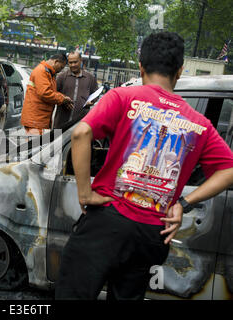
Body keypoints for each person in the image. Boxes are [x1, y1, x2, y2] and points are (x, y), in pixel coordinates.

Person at [55, 32, 233, 300]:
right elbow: (229, 170)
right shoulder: (200, 124)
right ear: (180, 70)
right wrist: (183, 204)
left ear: (141, 65)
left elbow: (80, 134)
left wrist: (85, 192)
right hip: (152, 233)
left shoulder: (123, 97)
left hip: (107, 218)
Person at [20, 53, 73, 135]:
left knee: (37, 145)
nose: (61, 70)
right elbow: (45, 93)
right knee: (35, 145)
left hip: (39, 119)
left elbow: (51, 92)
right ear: (56, 62)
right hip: (35, 119)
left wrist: (62, 98)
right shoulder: (41, 71)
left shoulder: (49, 73)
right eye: (61, 67)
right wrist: (63, 99)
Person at [53, 51, 98, 129]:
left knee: (77, 141)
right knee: (56, 141)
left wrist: (92, 101)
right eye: (70, 63)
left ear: (81, 60)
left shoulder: (90, 78)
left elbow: (96, 93)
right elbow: (53, 94)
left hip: (81, 124)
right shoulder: (61, 77)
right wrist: (63, 100)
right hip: (61, 123)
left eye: (75, 62)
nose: (73, 65)